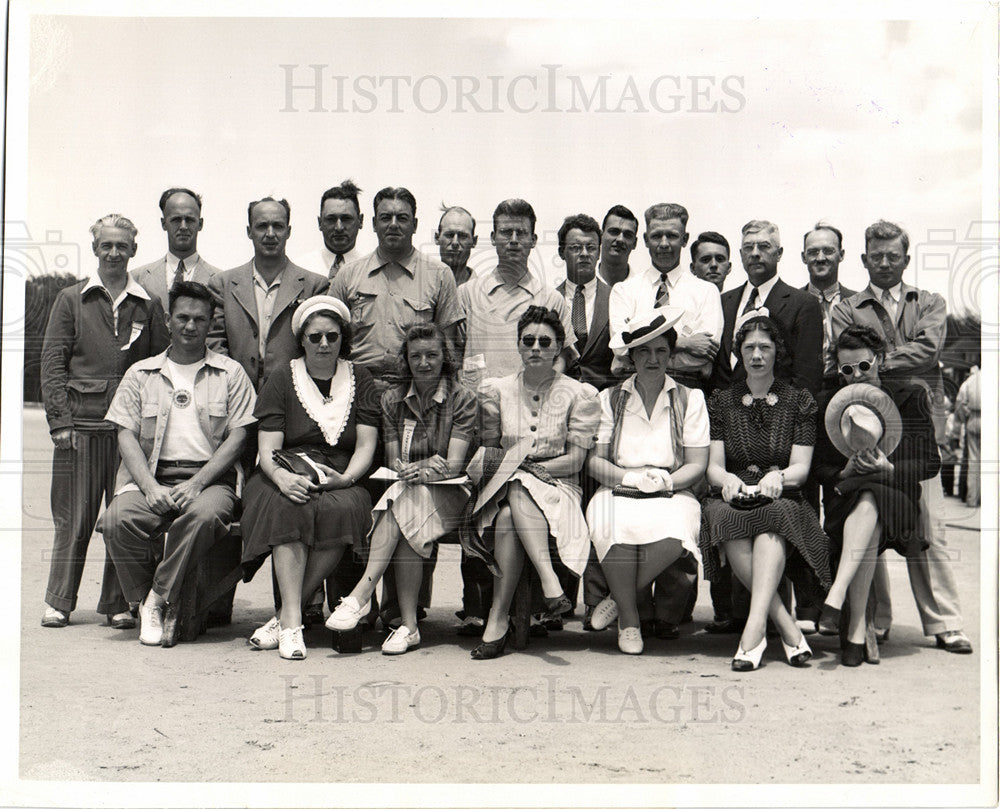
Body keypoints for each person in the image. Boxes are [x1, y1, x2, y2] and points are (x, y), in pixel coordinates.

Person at [831, 220, 971, 655]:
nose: (885, 262)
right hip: (864, 418)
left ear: (906, 259)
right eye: (877, 256)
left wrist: (877, 359)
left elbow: (929, 348)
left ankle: (945, 622)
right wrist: (877, 360)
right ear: (864, 259)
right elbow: (848, 351)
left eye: (894, 255)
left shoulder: (928, 301)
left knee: (930, 524)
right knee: (869, 511)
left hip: (919, 417)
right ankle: (876, 619)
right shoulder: (845, 306)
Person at [100, 282, 256, 646]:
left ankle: (156, 597)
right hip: (153, 475)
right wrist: (151, 487)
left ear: (211, 322)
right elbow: (125, 435)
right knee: (115, 521)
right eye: (182, 317)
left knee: (202, 517)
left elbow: (238, 437)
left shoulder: (230, 373)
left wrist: (198, 483)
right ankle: (143, 599)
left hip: (209, 480)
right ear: (169, 320)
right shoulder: (141, 374)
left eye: (199, 319)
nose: (190, 326)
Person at [40, 214, 169, 629]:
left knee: (122, 516)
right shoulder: (71, 299)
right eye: (106, 246)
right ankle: (59, 600)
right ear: (95, 249)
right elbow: (52, 364)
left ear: (133, 249)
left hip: (129, 435)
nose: (114, 253)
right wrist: (60, 421)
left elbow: (160, 366)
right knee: (73, 518)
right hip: (79, 430)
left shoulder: (148, 304)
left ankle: (116, 603)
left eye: (122, 246)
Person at [240, 296, 379, 659]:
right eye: (315, 336)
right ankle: (291, 623)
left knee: (345, 508)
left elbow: (366, 444)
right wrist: (281, 478)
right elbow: (268, 447)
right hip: (283, 469)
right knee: (291, 506)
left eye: (332, 337)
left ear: (342, 339)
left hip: (339, 473)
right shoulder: (282, 378)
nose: (323, 344)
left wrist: (347, 478)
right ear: (301, 338)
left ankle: (287, 618)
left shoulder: (359, 378)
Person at [325, 324, 477, 653]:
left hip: (451, 494)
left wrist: (423, 471)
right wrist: (421, 468)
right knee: (407, 512)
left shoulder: (462, 399)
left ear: (444, 358)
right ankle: (408, 626)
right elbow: (396, 461)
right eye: (416, 356)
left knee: (402, 505)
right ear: (406, 360)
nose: (424, 363)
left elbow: (453, 465)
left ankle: (361, 595)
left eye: (432, 355)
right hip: (409, 492)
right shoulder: (393, 399)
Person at [465, 306, 600, 659]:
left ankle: (498, 618)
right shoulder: (496, 391)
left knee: (517, 495)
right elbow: (492, 451)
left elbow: (575, 460)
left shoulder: (579, 394)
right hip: (506, 488)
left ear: (558, 348)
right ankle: (548, 581)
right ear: (519, 346)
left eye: (545, 341)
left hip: (560, 487)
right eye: (529, 341)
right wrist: (512, 469)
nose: (536, 348)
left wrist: (522, 469)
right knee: (511, 504)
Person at [700, 315, 829, 671]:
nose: (756, 355)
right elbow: (713, 465)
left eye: (765, 347)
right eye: (749, 348)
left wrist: (781, 476)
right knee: (724, 517)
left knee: (772, 518)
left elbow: (802, 468)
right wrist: (726, 480)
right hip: (735, 492)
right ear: (739, 353)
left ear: (777, 352)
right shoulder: (721, 401)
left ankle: (753, 629)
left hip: (780, 494)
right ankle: (786, 626)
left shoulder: (798, 400)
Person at [812, 326, 941, 666]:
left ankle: (838, 598)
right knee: (866, 501)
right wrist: (843, 472)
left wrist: (890, 468)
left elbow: (930, 462)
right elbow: (818, 467)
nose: (857, 375)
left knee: (870, 497)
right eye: (847, 370)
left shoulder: (910, 395)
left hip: (898, 496)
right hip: (847, 498)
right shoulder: (830, 404)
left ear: (881, 360)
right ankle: (855, 627)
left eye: (865, 366)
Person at [585, 307, 710, 654]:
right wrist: (631, 478)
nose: (652, 359)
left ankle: (615, 599)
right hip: (618, 487)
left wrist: (665, 482)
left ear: (671, 355)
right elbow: (595, 460)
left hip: (672, 490)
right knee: (612, 527)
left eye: (661, 351)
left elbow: (698, 463)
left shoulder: (690, 398)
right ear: (632, 356)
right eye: (644, 351)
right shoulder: (609, 399)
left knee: (675, 536)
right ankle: (629, 621)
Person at [330, 186, 463, 382]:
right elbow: (331, 339)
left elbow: (448, 348)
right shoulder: (348, 275)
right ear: (374, 224)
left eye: (402, 218)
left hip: (415, 391)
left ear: (415, 225)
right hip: (358, 389)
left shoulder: (440, 275)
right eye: (385, 218)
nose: (393, 225)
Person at [208, 197, 329, 392]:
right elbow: (214, 341)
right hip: (234, 394)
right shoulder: (222, 284)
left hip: (293, 396)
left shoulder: (315, 286)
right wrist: (234, 384)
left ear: (288, 231)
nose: (270, 234)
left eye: (278, 226)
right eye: (262, 226)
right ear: (249, 231)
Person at [457, 199, 574, 388]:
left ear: (533, 240)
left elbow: (563, 357)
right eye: (505, 232)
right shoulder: (467, 294)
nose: (513, 240)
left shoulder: (552, 299)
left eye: (521, 233)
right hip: (477, 407)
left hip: (532, 408)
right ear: (493, 237)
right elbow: (452, 354)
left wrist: (541, 389)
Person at [609, 203, 723, 391]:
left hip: (686, 387)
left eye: (671, 236)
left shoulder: (706, 291)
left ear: (685, 239)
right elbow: (620, 347)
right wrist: (684, 344)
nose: (664, 244)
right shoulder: (624, 290)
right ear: (645, 240)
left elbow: (705, 353)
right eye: (656, 236)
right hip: (633, 387)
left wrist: (640, 347)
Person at [712, 220, 824, 397]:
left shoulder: (803, 304)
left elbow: (806, 378)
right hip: (724, 417)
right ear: (741, 255)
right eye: (748, 247)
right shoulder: (723, 301)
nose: (755, 253)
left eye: (764, 246)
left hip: (777, 418)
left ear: (779, 253)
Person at [556, 213, 617, 391]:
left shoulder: (616, 298)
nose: (584, 254)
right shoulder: (549, 300)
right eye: (576, 247)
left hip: (605, 401)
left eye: (590, 247)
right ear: (562, 252)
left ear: (599, 253)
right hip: (559, 399)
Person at [131, 188, 220, 309]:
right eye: (176, 220)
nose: (183, 226)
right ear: (163, 223)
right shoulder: (137, 278)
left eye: (189, 220)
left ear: (200, 224)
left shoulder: (219, 280)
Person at [800, 222, 857, 391]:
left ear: (841, 254)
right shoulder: (790, 303)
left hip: (848, 390)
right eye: (813, 252)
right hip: (802, 395)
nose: (820, 258)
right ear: (803, 257)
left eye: (828, 251)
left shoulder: (859, 302)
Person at [295, 180, 365, 279]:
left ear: (360, 221)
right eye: (331, 219)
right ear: (320, 223)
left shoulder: (371, 270)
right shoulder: (301, 269)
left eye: (346, 219)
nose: (339, 227)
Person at [954, 363, 980, 508]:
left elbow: (960, 402)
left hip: (974, 419)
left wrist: (966, 418)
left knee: (974, 461)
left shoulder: (971, 380)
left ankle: (972, 499)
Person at [435, 206, 479, 287]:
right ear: (437, 238)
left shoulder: (483, 292)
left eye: (463, 236)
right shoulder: (421, 285)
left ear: (474, 241)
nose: (455, 243)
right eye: (449, 235)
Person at [597, 205, 639, 286]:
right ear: (600, 236)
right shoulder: (581, 284)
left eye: (628, 235)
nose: (620, 239)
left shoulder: (642, 289)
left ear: (635, 243)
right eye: (614, 232)